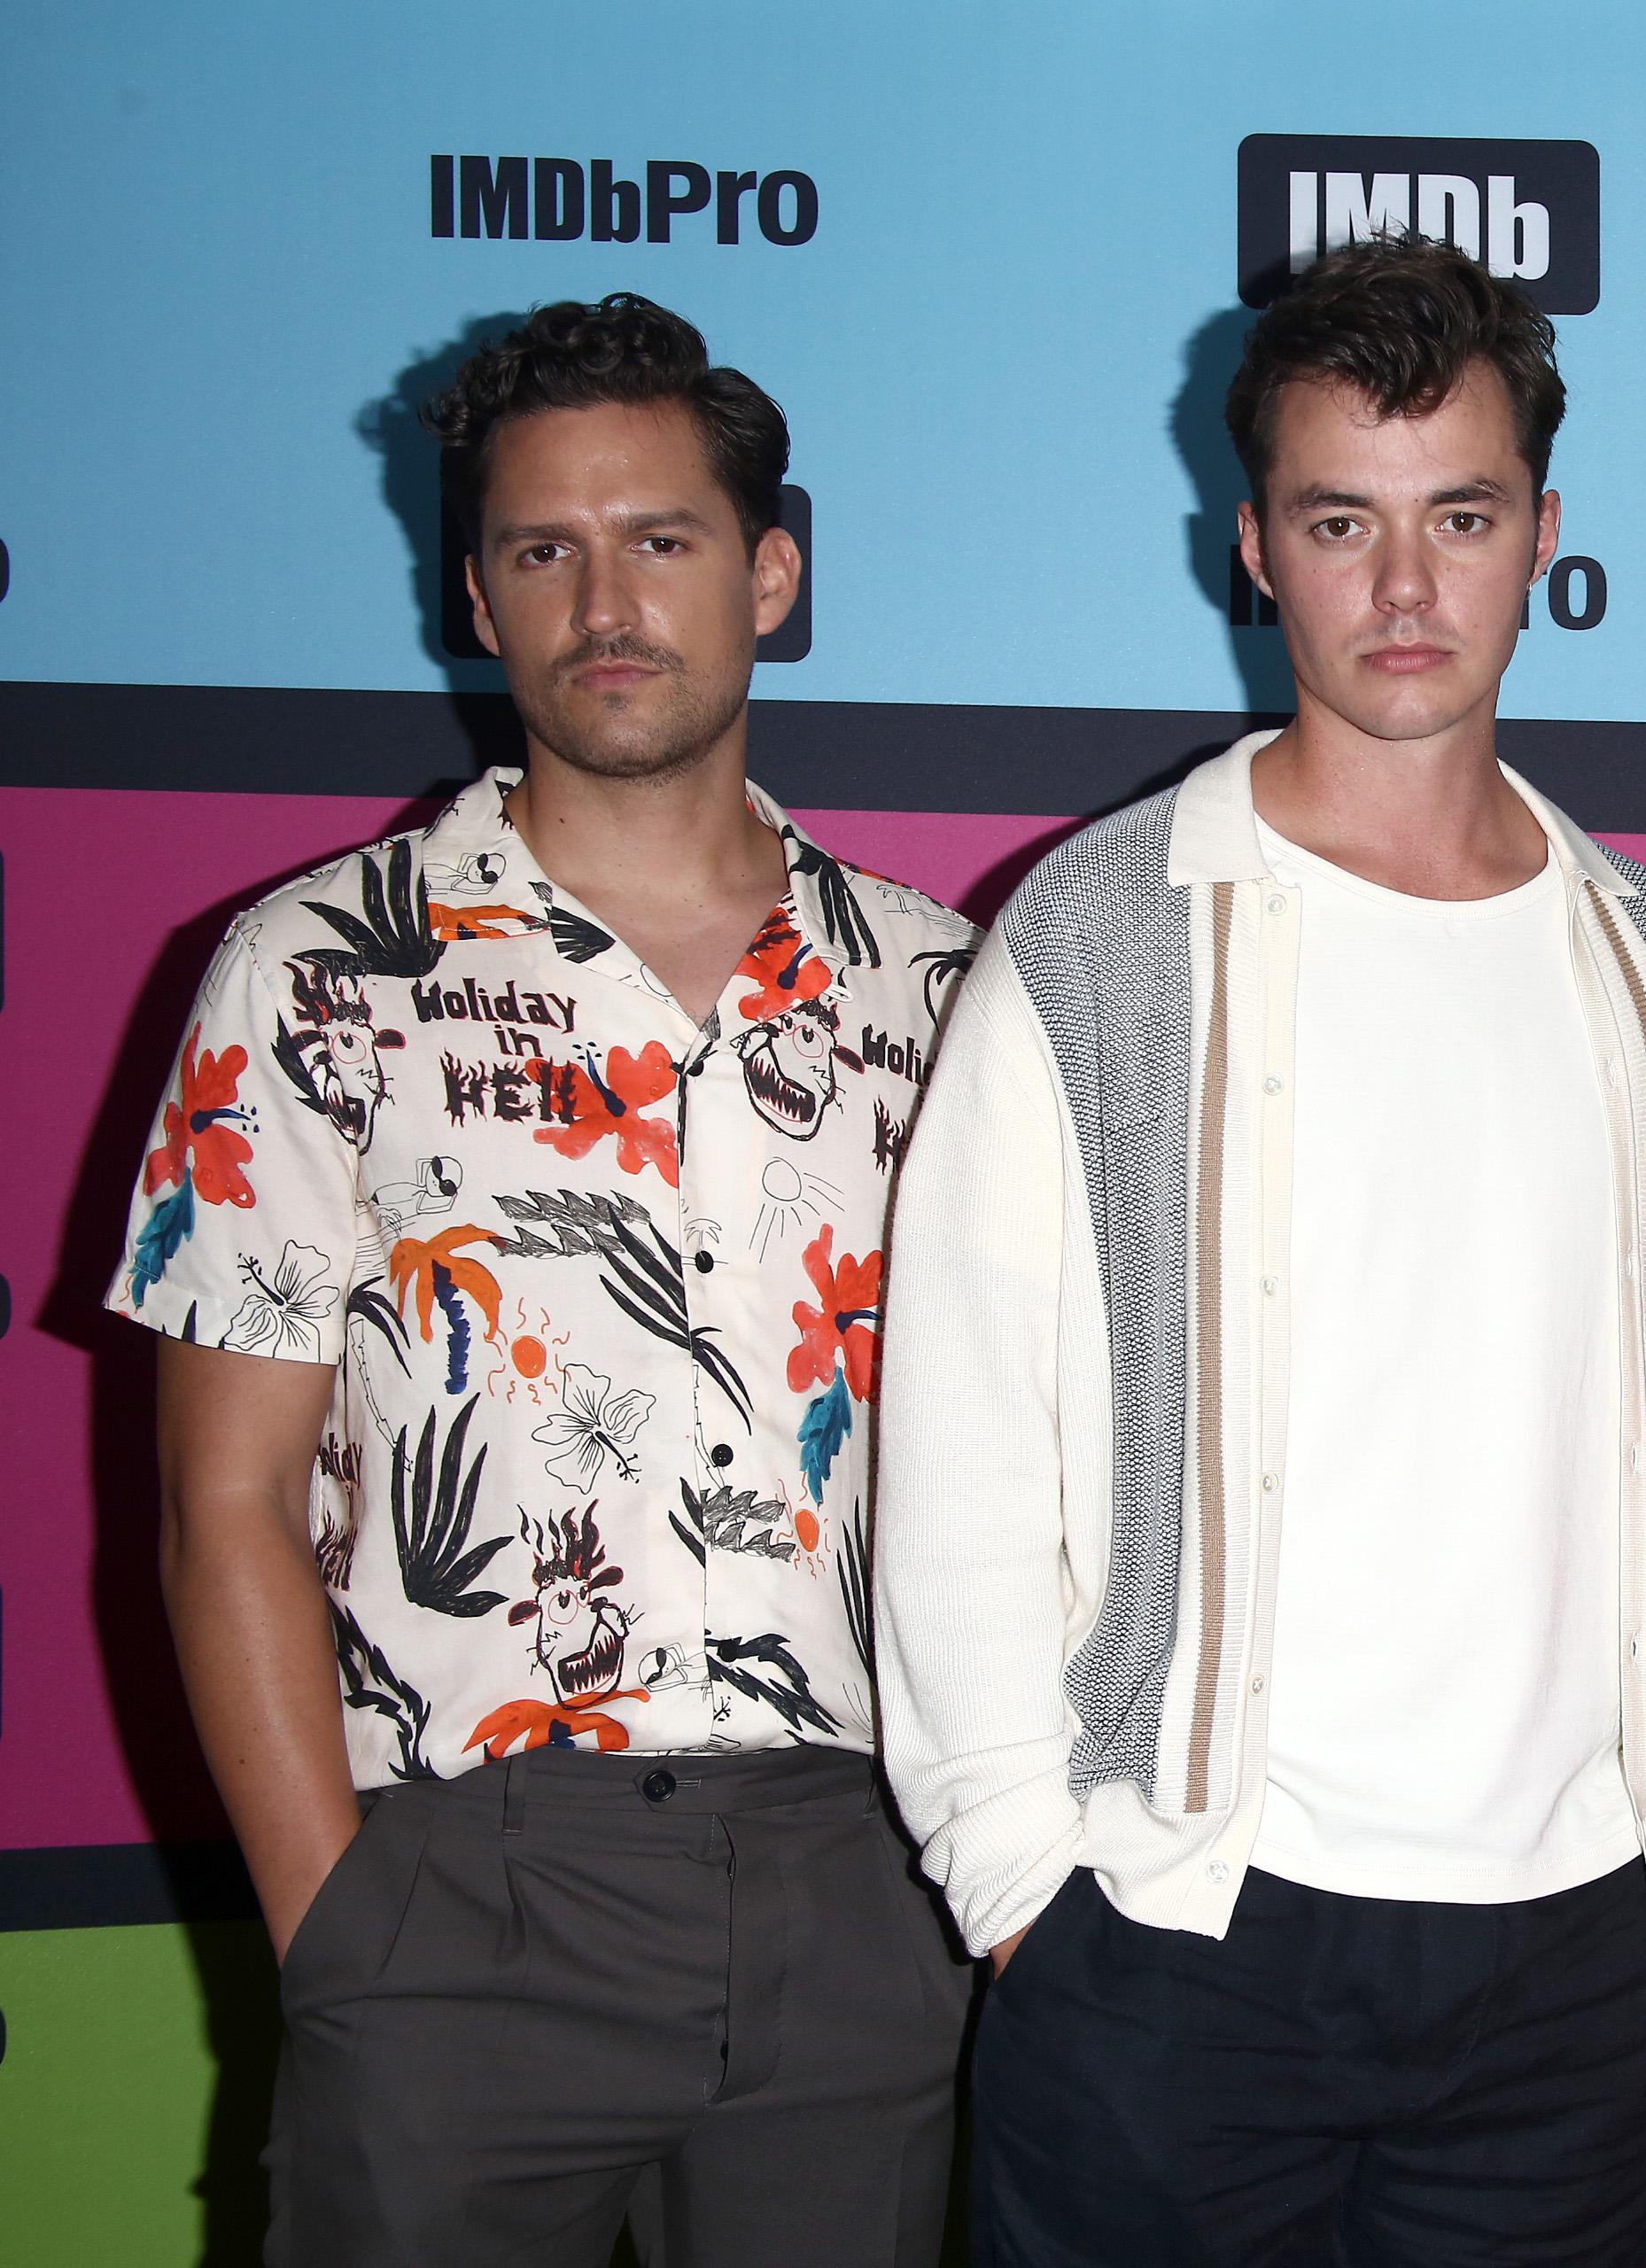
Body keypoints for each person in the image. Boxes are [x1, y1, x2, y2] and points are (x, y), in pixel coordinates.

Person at [873, 232, 1646, 2267]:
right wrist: (1021, 1878)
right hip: (1180, 1951)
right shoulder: (1102, 931)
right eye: (1345, 522)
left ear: (1545, 538)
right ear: (1257, 547)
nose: (1406, 586)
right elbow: (962, 1436)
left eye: (1463, 517)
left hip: (1576, 1965)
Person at [114, 295, 975, 2266]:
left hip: (860, 1889)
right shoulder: (319, 971)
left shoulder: (940, 993)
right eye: (541, 549)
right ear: (476, 596)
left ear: (771, 574)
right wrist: (341, 1937)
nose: (606, 604)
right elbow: (218, 1504)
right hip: (454, 1894)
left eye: (660, 539)